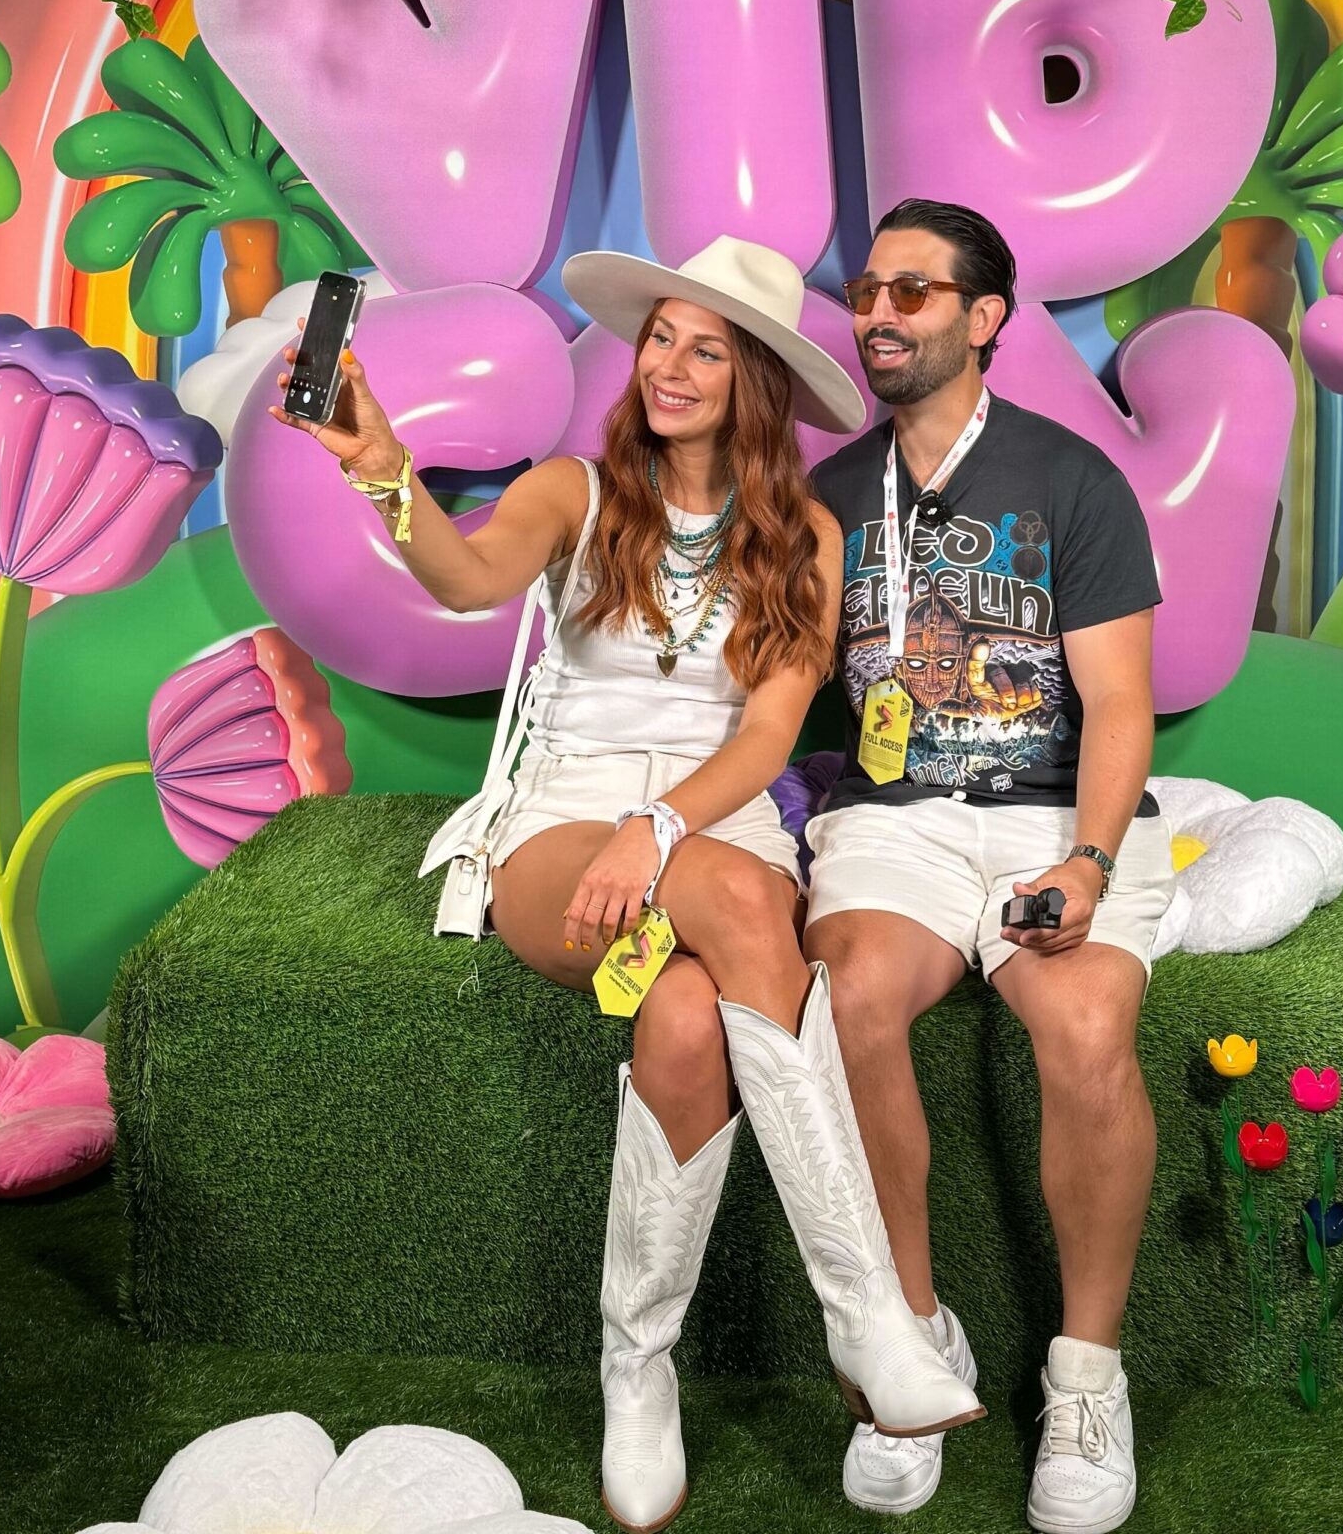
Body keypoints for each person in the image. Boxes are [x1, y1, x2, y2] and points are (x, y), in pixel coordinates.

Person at [274, 234, 983, 1533]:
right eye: (661, 335)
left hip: (707, 824)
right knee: (730, 903)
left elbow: (768, 740)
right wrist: (380, 468)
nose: (670, 363)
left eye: (706, 346)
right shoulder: (576, 491)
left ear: (755, 378)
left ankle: (635, 1366)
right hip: (567, 824)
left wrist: (658, 829)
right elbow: (465, 575)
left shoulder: (805, 536)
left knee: (682, 1012)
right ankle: (869, 1314)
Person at [802, 199, 1174, 1533]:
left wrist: (1086, 859)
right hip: (893, 818)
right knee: (845, 1003)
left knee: (1082, 1029)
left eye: (913, 292)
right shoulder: (832, 495)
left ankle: (1086, 1376)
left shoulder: (1073, 483)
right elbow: (780, 693)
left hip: (1048, 812)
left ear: (985, 318)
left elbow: (1121, 708)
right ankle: (910, 1333)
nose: (880, 316)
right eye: (868, 292)